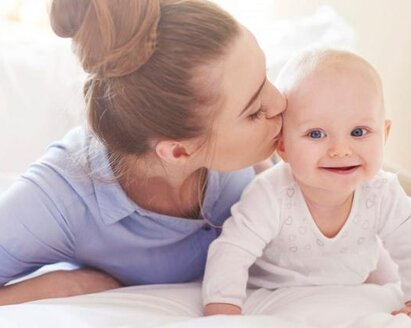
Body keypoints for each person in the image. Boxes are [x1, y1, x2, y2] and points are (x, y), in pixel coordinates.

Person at [0, 0, 286, 305]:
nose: (281, 102)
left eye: (265, 76)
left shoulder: (247, 147)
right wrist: (66, 287)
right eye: (255, 111)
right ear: (177, 151)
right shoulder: (61, 200)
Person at [202, 49, 411, 316]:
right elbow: (232, 249)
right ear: (283, 146)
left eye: (359, 132)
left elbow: (408, 243)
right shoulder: (270, 194)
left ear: (384, 134)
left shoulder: (383, 192)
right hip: (276, 292)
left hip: (352, 281)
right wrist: (223, 307)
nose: (340, 150)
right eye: (316, 134)